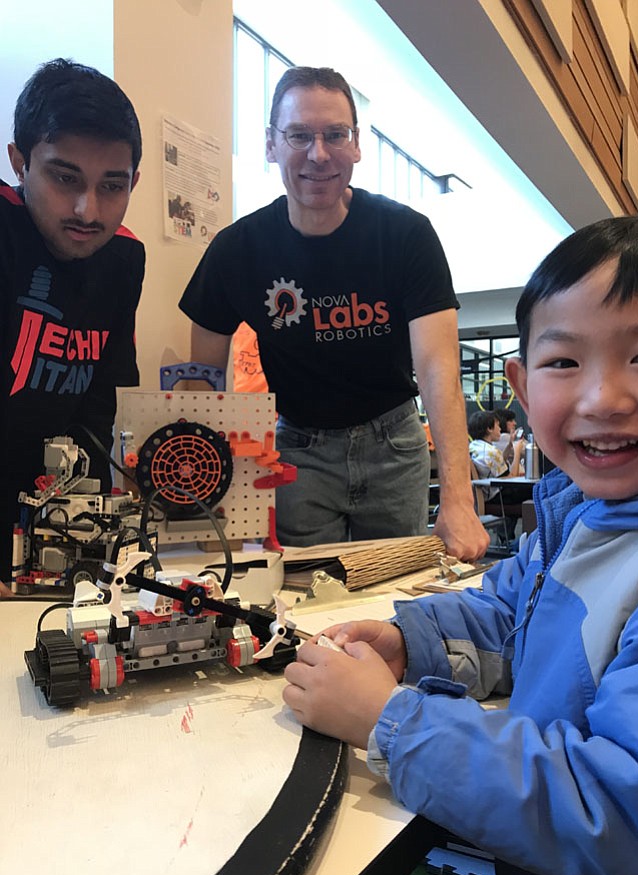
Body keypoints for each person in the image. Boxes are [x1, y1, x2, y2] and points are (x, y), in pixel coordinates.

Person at [283, 215, 638, 875]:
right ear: (522, 388)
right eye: (564, 361)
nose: (602, 397)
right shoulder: (577, 514)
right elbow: (507, 615)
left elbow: (629, 815)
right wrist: (412, 642)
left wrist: (389, 721)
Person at [179, 66, 487, 561]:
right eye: (299, 135)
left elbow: (438, 369)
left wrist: (458, 497)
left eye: (335, 135)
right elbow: (203, 386)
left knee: (395, 602)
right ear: (271, 144)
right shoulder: (236, 250)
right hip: (297, 449)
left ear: (357, 144)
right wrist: (207, 492)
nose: (318, 155)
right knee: (305, 600)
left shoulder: (406, 234)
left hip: (396, 445)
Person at [0, 59, 144, 595]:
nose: (89, 209)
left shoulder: (124, 257)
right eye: (65, 178)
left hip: (57, 528)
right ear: (19, 162)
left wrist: (102, 530)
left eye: (112, 185)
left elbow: (101, 404)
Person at [468, 409, 526, 540]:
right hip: (496, 496)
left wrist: (510, 446)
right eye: (498, 425)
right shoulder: (491, 452)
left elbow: (498, 468)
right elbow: (511, 478)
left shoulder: (474, 446)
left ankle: (508, 537)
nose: (500, 428)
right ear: (489, 428)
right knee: (537, 491)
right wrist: (517, 452)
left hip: (483, 495)